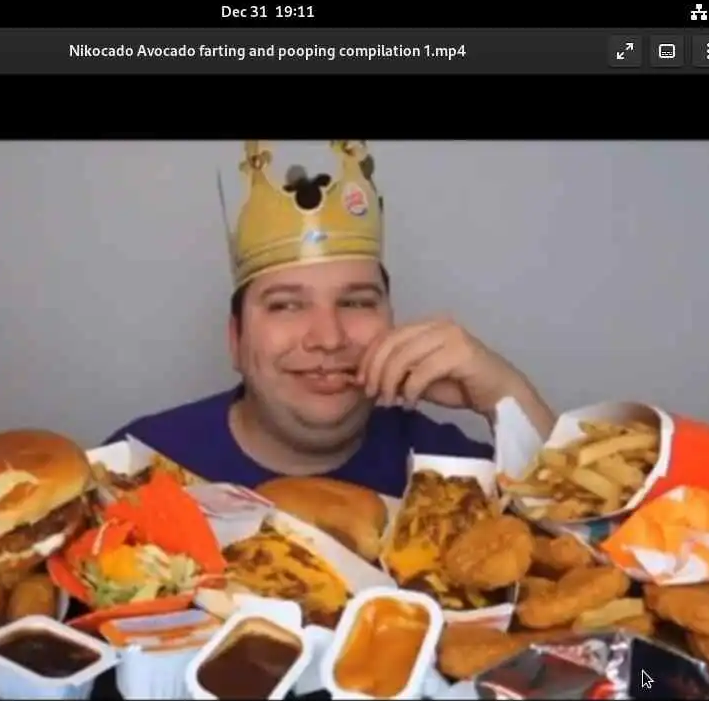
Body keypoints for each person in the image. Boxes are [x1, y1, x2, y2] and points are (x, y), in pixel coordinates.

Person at [104, 141, 555, 497]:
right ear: (235, 340)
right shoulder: (137, 467)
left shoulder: (455, 471)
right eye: (286, 305)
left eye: (356, 303)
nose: (329, 338)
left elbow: (580, 539)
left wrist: (508, 395)